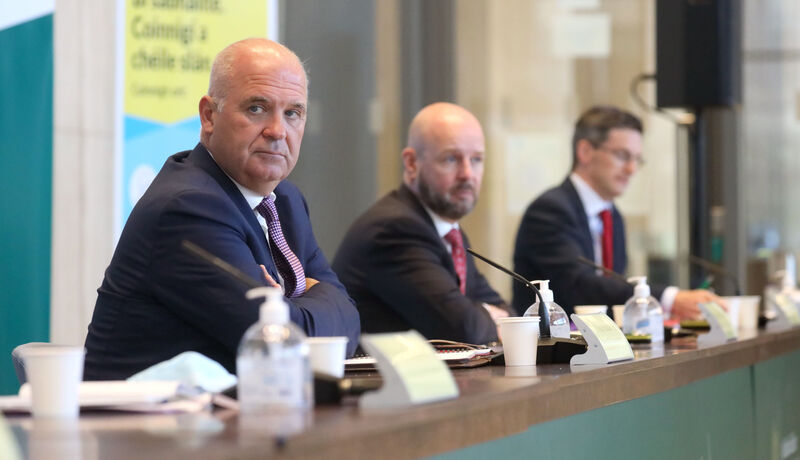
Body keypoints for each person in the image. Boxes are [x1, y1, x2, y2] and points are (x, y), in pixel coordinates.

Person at [84, 39, 360, 380]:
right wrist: (312, 296)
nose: (277, 131)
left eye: (293, 113)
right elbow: (282, 345)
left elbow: (349, 316)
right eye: (257, 108)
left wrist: (303, 305)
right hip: (145, 427)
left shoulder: (286, 202)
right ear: (209, 115)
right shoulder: (187, 209)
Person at [512, 105, 724, 318]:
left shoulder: (613, 216)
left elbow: (612, 288)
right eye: (623, 155)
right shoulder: (550, 210)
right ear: (585, 152)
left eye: (636, 159)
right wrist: (668, 299)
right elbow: (580, 286)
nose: (631, 169)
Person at [332, 102, 512, 345]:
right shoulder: (394, 230)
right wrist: (485, 315)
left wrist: (484, 314)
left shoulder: (449, 232)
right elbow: (463, 328)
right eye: (451, 159)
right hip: (380, 382)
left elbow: (508, 315)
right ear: (411, 163)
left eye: (476, 159)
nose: (467, 174)